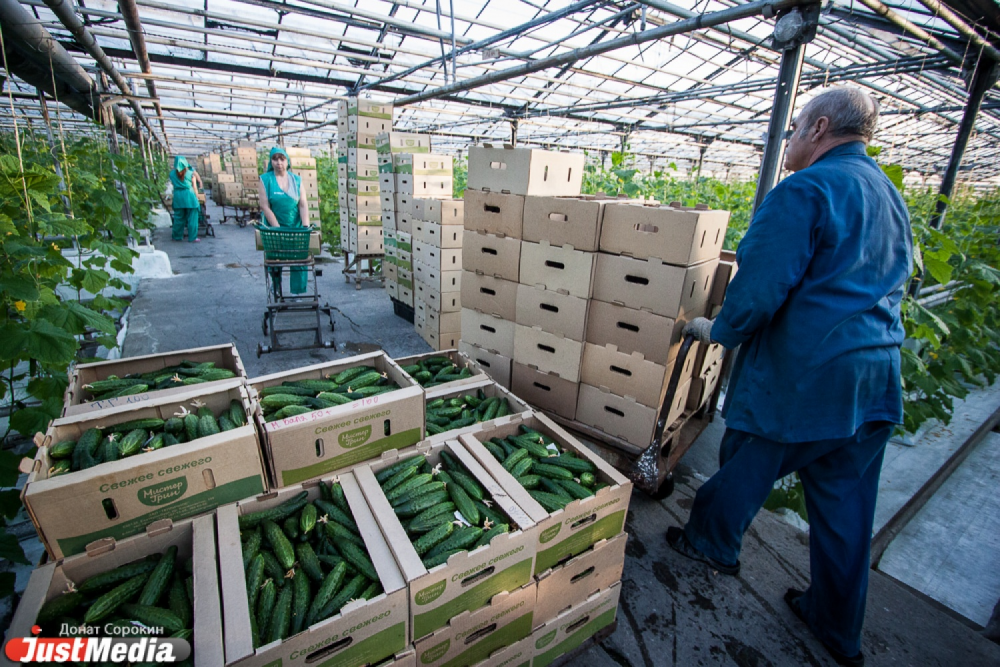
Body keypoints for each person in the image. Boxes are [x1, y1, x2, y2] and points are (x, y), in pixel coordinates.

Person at [671, 87, 913, 667]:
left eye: (795, 127)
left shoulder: (805, 190)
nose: (788, 141)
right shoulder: (889, 195)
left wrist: (715, 330)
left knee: (747, 461)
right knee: (846, 510)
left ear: (820, 127)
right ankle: (836, 626)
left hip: (807, 375)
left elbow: (756, 293)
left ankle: (711, 544)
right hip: (875, 376)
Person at [258, 146, 313, 296]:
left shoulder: (296, 180)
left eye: (282, 159)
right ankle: (276, 286)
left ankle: (297, 291)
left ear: (287, 161)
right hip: (274, 228)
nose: (279, 163)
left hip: (294, 226)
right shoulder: (265, 180)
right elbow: (265, 206)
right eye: (275, 159)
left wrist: (305, 226)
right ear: (271, 161)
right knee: (275, 258)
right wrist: (277, 228)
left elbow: (302, 204)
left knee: (299, 258)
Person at [169, 156, 202, 242]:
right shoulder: (190, 173)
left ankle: (177, 236)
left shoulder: (172, 174)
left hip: (178, 196)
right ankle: (192, 237)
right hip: (189, 195)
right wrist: (197, 197)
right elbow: (194, 187)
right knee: (193, 218)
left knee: (178, 218)